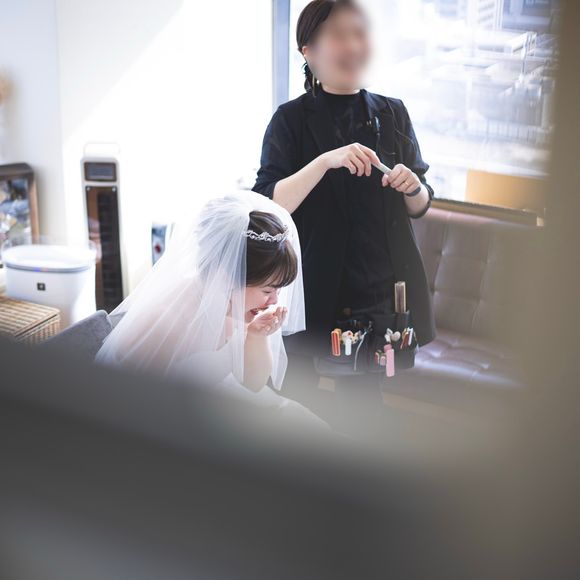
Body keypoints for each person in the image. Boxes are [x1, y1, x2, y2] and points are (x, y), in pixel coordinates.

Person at [253, 0, 436, 416]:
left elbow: (421, 203)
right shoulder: (290, 120)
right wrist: (325, 162)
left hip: (376, 291)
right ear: (308, 51)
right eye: (339, 35)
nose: (353, 45)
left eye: (359, 33)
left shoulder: (392, 113)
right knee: (293, 402)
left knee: (364, 410)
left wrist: (412, 186)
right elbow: (267, 203)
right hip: (310, 290)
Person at [95, 191, 327, 429]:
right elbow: (134, 407)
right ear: (229, 275)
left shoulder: (236, 306)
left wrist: (256, 336)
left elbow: (253, 384)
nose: (274, 300)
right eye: (268, 290)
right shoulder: (165, 323)